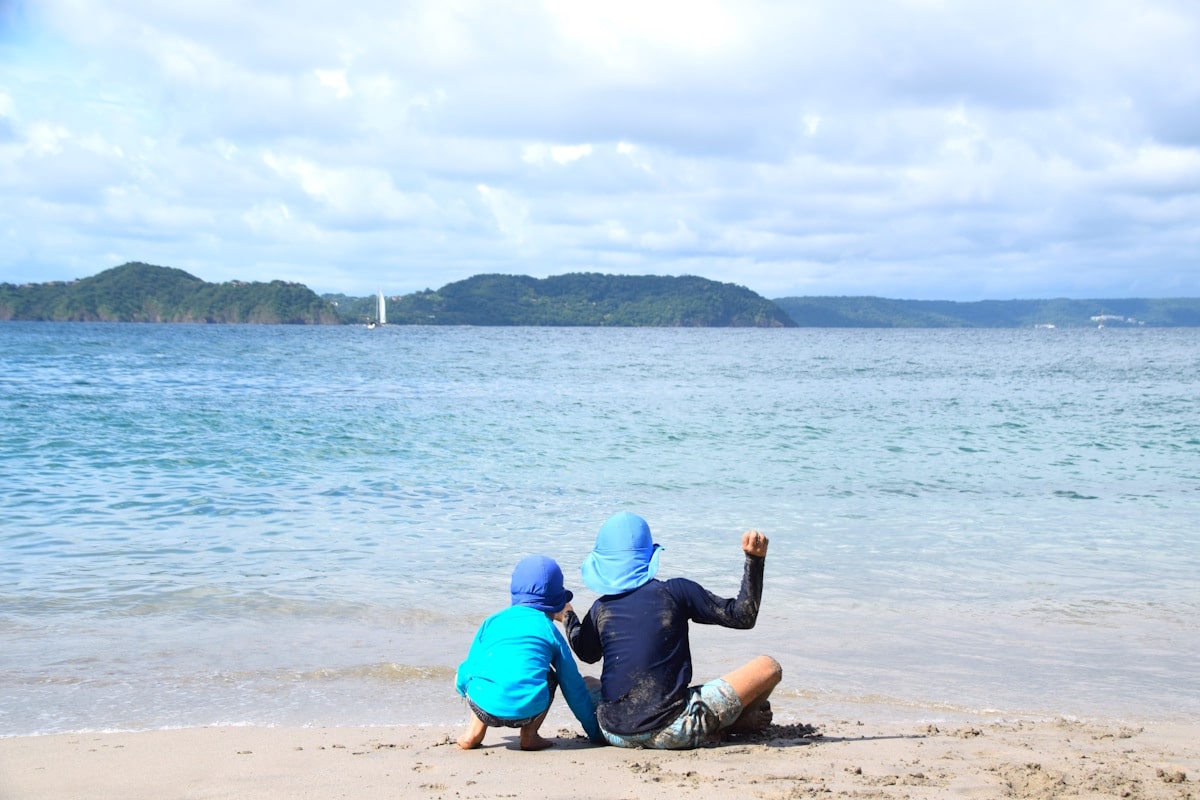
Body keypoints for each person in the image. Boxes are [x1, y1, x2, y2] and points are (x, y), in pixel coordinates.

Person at [565, 512, 781, 749]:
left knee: (587, 681)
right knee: (768, 667)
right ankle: (732, 724)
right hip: (672, 728)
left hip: (613, 731)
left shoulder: (600, 609)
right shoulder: (675, 591)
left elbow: (586, 653)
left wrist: (567, 616)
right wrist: (755, 560)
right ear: (651, 555)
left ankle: (725, 723)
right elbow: (742, 616)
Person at [455, 554, 605, 750]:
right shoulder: (548, 629)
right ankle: (529, 735)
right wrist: (594, 732)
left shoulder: (491, 622)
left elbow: (470, 666)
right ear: (556, 603)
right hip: (528, 711)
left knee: (482, 670)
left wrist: (462, 687)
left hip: (483, 707)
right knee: (551, 675)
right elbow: (573, 685)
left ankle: (473, 733)